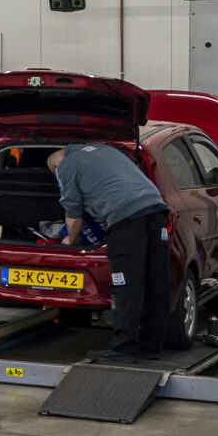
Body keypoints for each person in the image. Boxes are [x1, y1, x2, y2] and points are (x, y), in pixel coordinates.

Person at [47, 141, 171, 359]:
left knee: (126, 284)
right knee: (156, 281)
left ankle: (123, 347)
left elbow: (73, 212)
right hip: (156, 211)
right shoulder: (105, 149)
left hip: (126, 220)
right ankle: (151, 347)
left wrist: (70, 240)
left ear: (56, 167)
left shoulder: (66, 166)